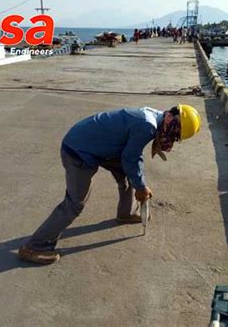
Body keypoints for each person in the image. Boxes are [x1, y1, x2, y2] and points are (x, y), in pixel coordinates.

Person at [18, 105, 201, 264]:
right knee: (75, 204)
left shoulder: (156, 116)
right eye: (174, 133)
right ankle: (35, 247)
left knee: (130, 174)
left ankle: (126, 213)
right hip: (78, 150)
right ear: (170, 120)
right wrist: (141, 186)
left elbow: (131, 158)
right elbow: (131, 158)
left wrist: (139, 182)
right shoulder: (147, 125)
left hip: (100, 145)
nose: (172, 139)